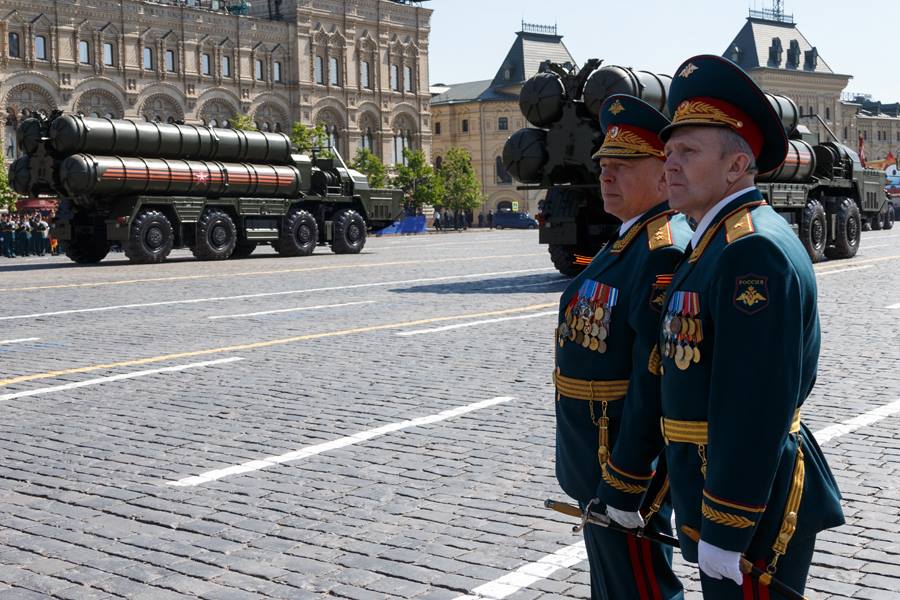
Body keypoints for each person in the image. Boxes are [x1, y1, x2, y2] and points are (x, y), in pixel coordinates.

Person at [606, 55, 845, 599]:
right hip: (719, 490)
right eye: (668, 153)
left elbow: (754, 402)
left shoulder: (750, 250)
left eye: (687, 152)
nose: (670, 165)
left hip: (750, 503)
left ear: (736, 167)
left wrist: (728, 524)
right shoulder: (713, 244)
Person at [554, 94, 690, 600]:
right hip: (597, 453)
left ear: (663, 176)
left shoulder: (663, 250)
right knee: (614, 583)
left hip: (624, 459)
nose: (607, 175)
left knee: (640, 586)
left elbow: (654, 377)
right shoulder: (626, 240)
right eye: (605, 165)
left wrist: (629, 477)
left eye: (624, 165)